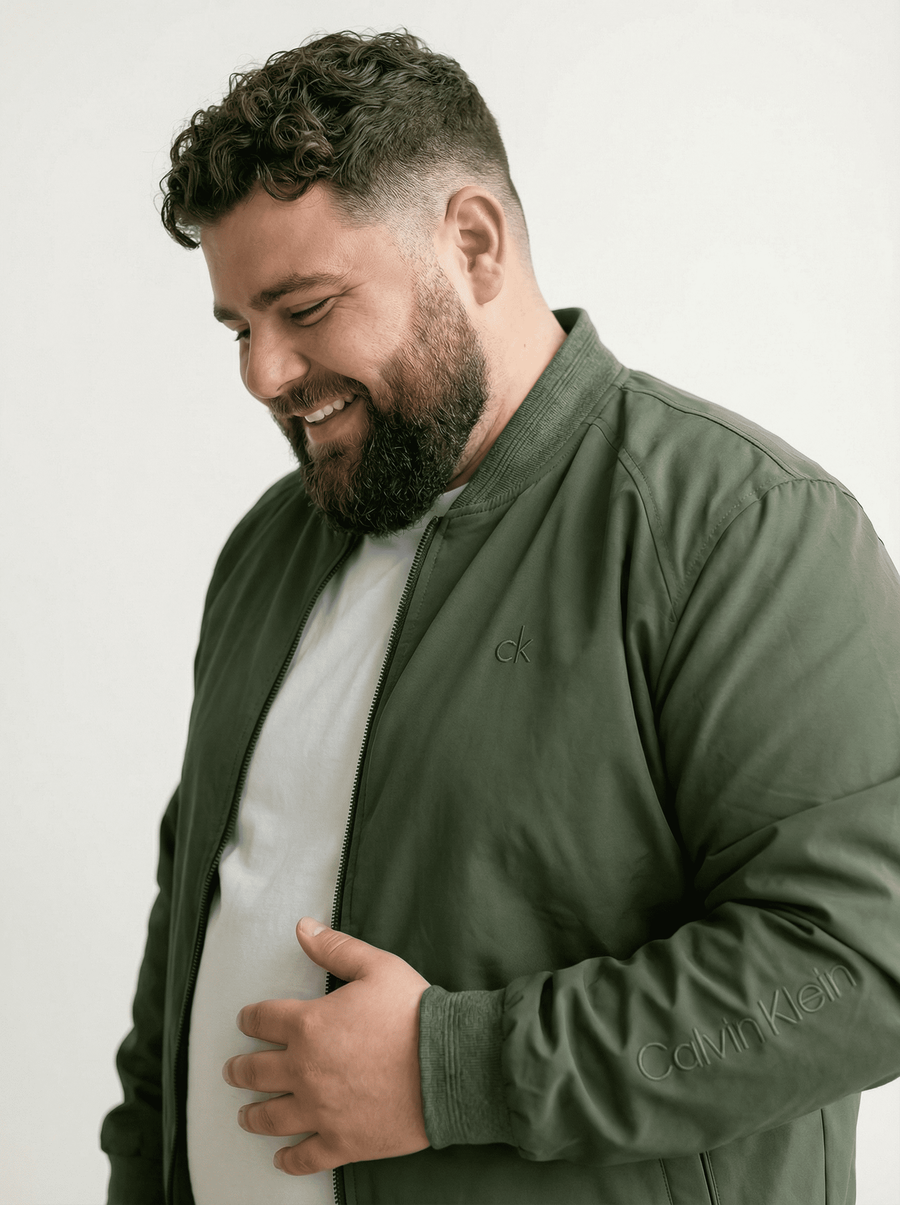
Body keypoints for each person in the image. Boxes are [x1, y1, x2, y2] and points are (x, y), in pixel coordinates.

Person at [101, 29, 900, 1205]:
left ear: (473, 243)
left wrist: (452, 1071)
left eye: (305, 306)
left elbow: (862, 965)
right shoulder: (271, 550)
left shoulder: (738, 529)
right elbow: (187, 938)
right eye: (239, 327)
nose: (263, 373)